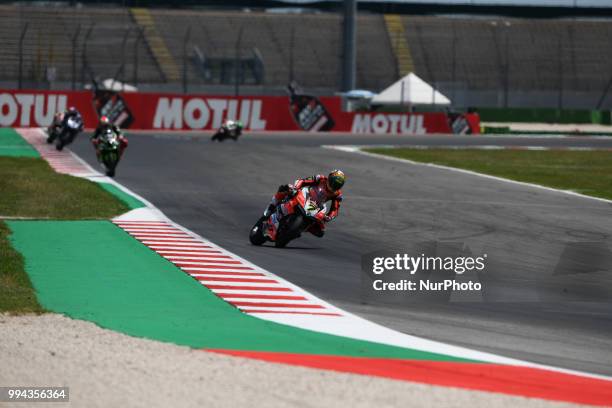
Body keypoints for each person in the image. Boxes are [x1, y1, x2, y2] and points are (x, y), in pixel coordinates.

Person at [263, 170, 345, 240]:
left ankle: (300, 229)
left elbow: (335, 210)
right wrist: (295, 188)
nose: (333, 186)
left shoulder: (338, 195)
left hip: (316, 205)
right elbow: (302, 181)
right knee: (286, 188)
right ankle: (271, 206)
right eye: (333, 182)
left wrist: (329, 217)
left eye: (337, 185)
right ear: (329, 178)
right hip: (306, 194)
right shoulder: (320, 178)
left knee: (320, 231)